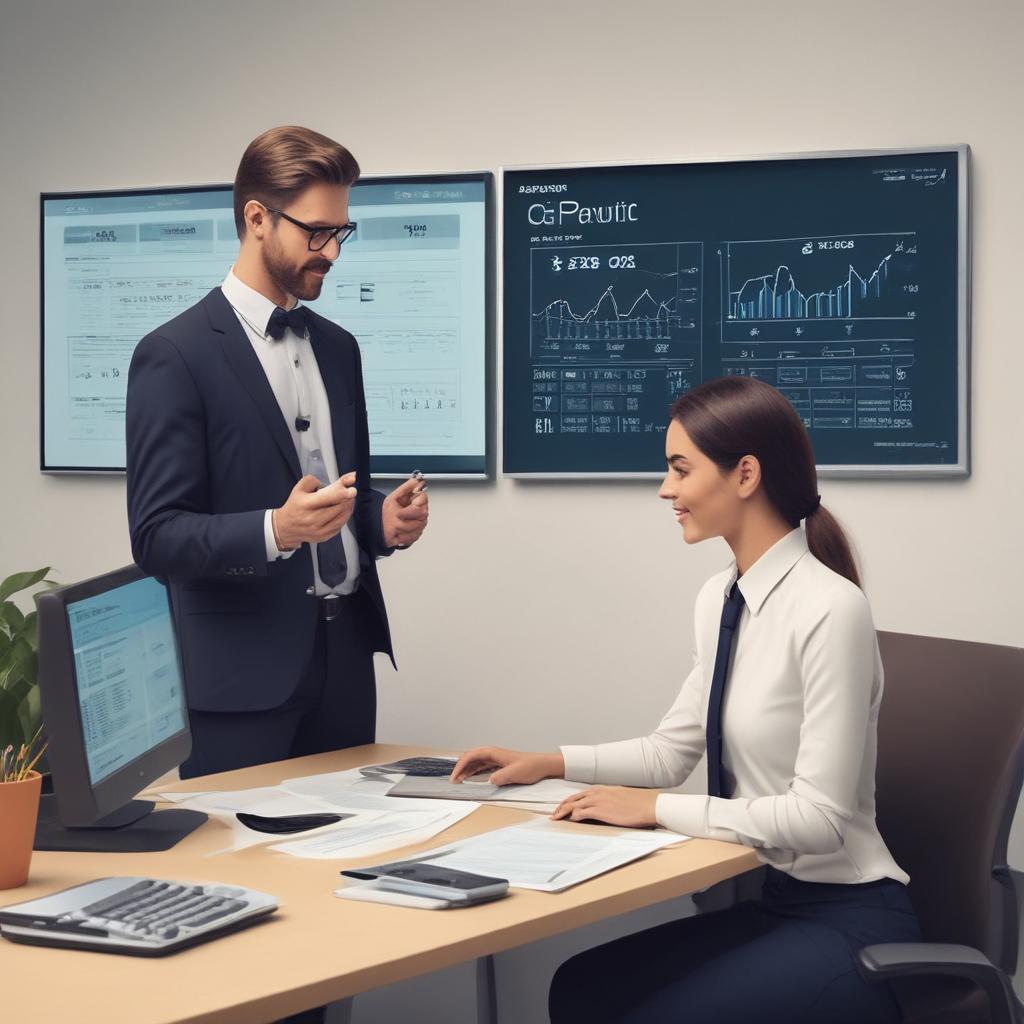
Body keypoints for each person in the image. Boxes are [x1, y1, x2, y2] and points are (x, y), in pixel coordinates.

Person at [451, 375, 922, 1024]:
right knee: (581, 988)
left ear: (745, 475)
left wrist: (658, 811)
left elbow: (819, 819)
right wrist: (548, 761)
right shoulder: (722, 599)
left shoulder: (830, 610)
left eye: (680, 468)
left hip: (852, 921)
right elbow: (669, 752)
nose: (666, 490)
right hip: (774, 901)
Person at [127, 126, 428, 781]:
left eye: (340, 233)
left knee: (345, 866)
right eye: (316, 233)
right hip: (238, 683)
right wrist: (275, 530)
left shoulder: (340, 347)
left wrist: (380, 520)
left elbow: (350, 491)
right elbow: (156, 537)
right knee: (233, 875)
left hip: (345, 659)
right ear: (256, 219)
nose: (332, 253)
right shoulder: (174, 356)